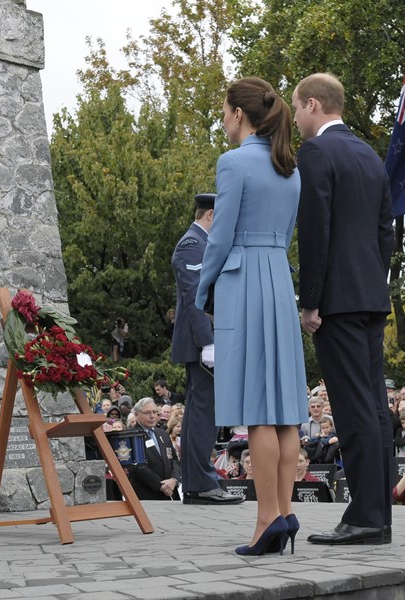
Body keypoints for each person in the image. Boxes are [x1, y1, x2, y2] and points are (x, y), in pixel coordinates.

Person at [195, 76, 307, 556]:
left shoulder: (234, 162)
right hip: (278, 281)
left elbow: (219, 237)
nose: (223, 120)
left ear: (239, 114)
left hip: (244, 283)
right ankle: (284, 511)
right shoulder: (290, 168)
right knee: (284, 410)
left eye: (224, 112)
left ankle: (265, 520)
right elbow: (287, 231)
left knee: (258, 409)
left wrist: (203, 288)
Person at [293, 73, 394, 546]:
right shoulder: (369, 154)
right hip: (370, 295)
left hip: (337, 300)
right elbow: (385, 230)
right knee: (373, 408)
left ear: (313, 105)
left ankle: (365, 518)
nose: (296, 118)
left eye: (297, 108)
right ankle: (378, 515)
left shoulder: (316, 152)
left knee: (353, 411)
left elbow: (315, 231)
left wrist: (310, 301)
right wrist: (373, 279)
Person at [171, 193, 243, 507]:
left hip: (206, 339)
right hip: (202, 341)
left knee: (201, 412)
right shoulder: (192, 243)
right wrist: (208, 341)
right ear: (211, 215)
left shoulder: (203, 244)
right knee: (204, 412)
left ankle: (197, 483)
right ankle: (200, 484)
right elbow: (194, 295)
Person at [127, 398, 181, 501]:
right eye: (147, 413)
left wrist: (174, 479)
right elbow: (135, 467)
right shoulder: (130, 436)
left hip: (170, 493)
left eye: (155, 412)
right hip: (146, 495)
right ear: (137, 414)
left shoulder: (163, 433)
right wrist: (160, 485)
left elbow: (174, 460)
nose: (152, 416)